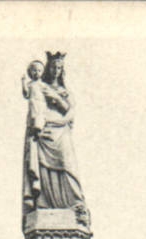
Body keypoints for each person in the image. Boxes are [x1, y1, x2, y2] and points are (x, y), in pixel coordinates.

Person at [22, 53, 89, 225]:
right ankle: (44, 202)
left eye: (59, 68)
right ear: (47, 68)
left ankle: (75, 203)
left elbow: (70, 110)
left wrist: (58, 101)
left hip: (61, 129)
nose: (56, 71)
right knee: (43, 167)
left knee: (67, 164)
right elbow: (33, 104)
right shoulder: (37, 86)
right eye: (53, 67)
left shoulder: (64, 91)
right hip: (44, 129)